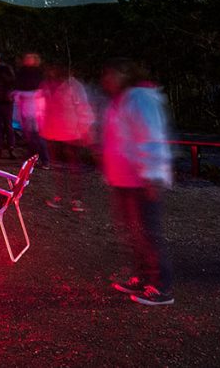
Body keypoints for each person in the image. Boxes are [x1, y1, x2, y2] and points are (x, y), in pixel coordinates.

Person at [101, 58, 174, 306]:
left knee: (148, 232)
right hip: (124, 179)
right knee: (134, 232)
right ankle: (143, 276)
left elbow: (151, 135)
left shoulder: (140, 97)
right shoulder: (121, 100)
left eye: (114, 74)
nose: (108, 80)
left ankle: (161, 286)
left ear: (126, 74)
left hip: (141, 180)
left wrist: (152, 175)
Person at [40, 63, 94, 212]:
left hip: (72, 134)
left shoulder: (75, 87)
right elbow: (46, 109)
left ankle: (76, 199)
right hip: (54, 133)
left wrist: (84, 130)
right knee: (57, 167)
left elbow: (84, 109)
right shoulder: (49, 86)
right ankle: (58, 196)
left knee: (74, 168)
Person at [13, 53, 49, 169]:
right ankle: (31, 159)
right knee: (29, 136)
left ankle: (45, 160)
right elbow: (17, 86)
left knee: (38, 136)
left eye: (30, 58)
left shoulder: (39, 73)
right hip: (25, 109)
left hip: (36, 109)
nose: (28, 60)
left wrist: (24, 95)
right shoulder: (22, 72)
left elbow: (41, 91)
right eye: (26, 58)